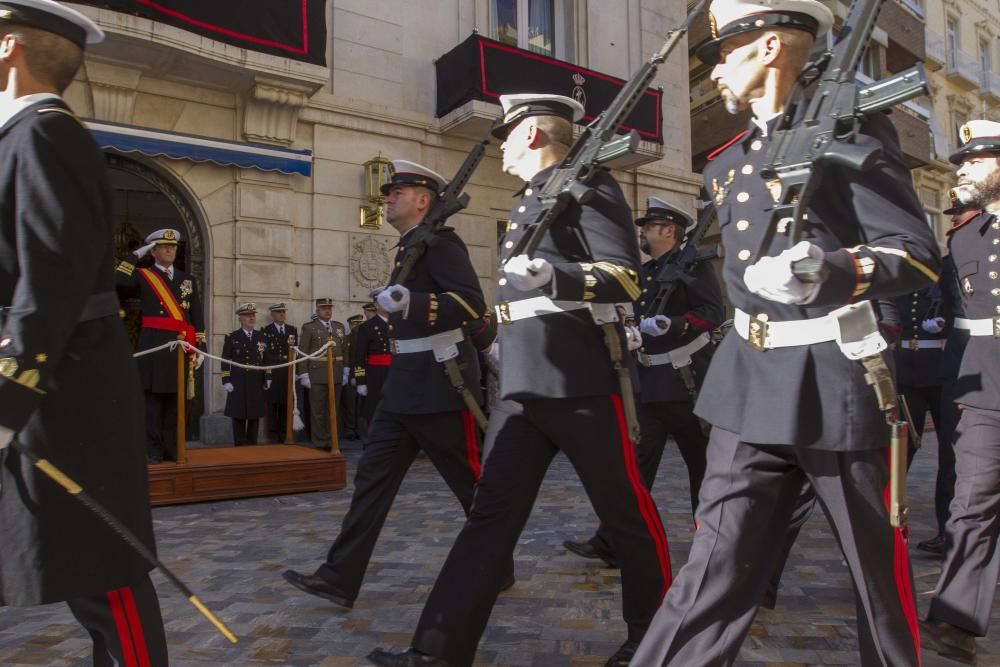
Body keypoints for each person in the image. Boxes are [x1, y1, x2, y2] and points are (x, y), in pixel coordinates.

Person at [629, 0, 941, 663]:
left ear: (768, 47)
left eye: (722, 53)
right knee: (713, 567)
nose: (713, 70)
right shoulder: (727, 164)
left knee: (876, 576)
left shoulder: (852, 127)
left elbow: (914, 252)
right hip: (749, 384)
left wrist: (828, 270)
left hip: (836, 380)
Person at [368, 95, 671, 667]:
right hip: (524, 383)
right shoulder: (530, 198)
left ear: (531, 135)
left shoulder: (592, 187)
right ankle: (437, 651)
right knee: (490, 515)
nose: (501, 145)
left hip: (581, 380)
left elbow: (626, 278)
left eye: (506, 135)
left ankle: (654, 637)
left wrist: (555, 274)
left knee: (626, 512)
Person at [0, 2, 168, 663]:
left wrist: (11, 395)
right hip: (44, 385)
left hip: (65, 397)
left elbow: (52, 282)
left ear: (7, 47)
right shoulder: (23, 136)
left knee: (105, 577)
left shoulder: (46, 135)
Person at [282, 160, 509, 610]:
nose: (387, 198)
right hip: (404, 387)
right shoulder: (410, 247)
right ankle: (339, 577)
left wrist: (412, 300)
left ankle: (499, 565)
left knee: (471, 485)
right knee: (371, 482)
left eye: (397, 193)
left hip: (444, 385)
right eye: (388, 193)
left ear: (423, 201)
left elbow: (470, 304)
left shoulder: (442, 244)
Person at [564, 197, 722, 568]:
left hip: (688, 383)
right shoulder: (648, 273)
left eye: (649, 227)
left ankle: (711, 548)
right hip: (650, 382)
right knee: (633, 468)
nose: (643, 232)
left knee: (703, 469)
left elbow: (712, 314)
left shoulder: (695, 266)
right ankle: (612, 541)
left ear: (669, 230)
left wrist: (675, 324)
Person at [919, 119, 1000, 666]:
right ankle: (954, 621)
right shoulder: (963, 236)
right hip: (983, 386)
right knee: (971, 503)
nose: (963, 168)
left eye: (976, 159)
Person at [115, 226, 205, 463]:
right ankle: (152, 450)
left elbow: (196, 314)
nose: (169, 250)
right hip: (154, 344)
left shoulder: (188, 279)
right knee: (154, 402)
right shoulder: (144, 275)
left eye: (173, 246)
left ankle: (172, 447)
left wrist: (200, 346)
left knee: (176, 401)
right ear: (153, 251)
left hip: (181, 345)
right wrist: (135, 255)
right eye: (164, 246)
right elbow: (118, 280)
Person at [296, 298, 346, 450]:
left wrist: (346, 370)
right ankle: (320, 442)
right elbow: (303, 352)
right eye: (324, 308)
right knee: (318, 411)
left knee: (334, 410)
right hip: (317, 375)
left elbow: (344, 351)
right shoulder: (310, 328)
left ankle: (334, 441)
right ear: (317, 310)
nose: (327, 310)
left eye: (329, 308)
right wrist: (304, 374)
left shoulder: (339, 327)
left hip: (336, 373)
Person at [221, 302, 271, 445]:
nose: (252, 318)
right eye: (248, 316)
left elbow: (266, 359)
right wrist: (226, 380)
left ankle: (252, 448)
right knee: (238, 416)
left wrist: (268, 377)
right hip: (238, 381)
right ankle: (240, 447)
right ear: (240, 318)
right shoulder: (232, 337)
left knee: (254, 416)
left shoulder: (261, 336)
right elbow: (225, 360)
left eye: (253, 315)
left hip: (256, 381)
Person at [353, 300, 391, 431]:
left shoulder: (398, 323)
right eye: (383, 302)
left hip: (396, 372)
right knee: (375, 408)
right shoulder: (367, 327)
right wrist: (360, 381)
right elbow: (359, 356)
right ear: (376, 305)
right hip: (375, 373)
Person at [263, 302, 297, 443]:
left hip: (287, 369)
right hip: (274, 369)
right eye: (278, 312)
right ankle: (273, 434)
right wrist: (267, 374)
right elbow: (265, 354)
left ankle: (285, 432)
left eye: (283, 312)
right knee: (272, 404)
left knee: (286, 402)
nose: (282, 315)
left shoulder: (291, 330)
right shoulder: (266, 330)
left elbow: (296, 352)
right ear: (272, 315)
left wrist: (297, 371)